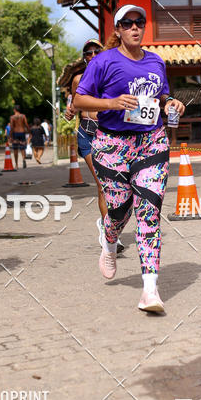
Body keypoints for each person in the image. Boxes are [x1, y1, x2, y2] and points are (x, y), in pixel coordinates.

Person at [73, 5, 185, 313]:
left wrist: (172, 102)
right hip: (112, 145)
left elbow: (162, 96)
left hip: (151, 142)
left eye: (140, 22)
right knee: (119, 210)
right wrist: (112, 102)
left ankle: (150, 291)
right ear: (118, 29)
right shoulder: (103, 62)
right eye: (128, 23)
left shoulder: (156, 62)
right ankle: (109, 240)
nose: (135, 27)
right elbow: (78, 99)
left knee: (148, 213)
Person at [65, 39, 125, 254]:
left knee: (113, 186)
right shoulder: (78, 79)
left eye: (95, 51)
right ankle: (109, 233)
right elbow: (73, 104)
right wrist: (69, 111)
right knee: (102, 184)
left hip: (107, 133)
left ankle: (106, 226)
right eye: (87, 52)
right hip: (86, 134)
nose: (91, 55)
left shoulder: (110, 78)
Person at [10, 104, 29, 169]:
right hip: (22, 132)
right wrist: (29, 132)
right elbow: (26, 124)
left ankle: (17, 164)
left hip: (15, 133)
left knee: (15, 149)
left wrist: (10, 136)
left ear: (14, 110)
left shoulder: (12, 117)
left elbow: (12, 127)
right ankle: (23, 159)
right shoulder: (23, 116)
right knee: (22, 148)